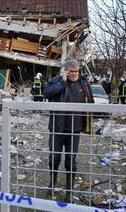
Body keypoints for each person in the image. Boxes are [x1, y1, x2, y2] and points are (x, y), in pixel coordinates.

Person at [43, 60, 94, 203]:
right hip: (57, 129)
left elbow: (91, 103)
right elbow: (46, 93)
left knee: (71, 161)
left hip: (74, 130)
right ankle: (52, 183)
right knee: (54, 158)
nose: (74, 74)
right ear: (65, 71)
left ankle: (69, 191)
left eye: (76, 71)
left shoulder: (84, 84)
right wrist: (62, 83)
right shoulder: (57, 81)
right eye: (71, 71)